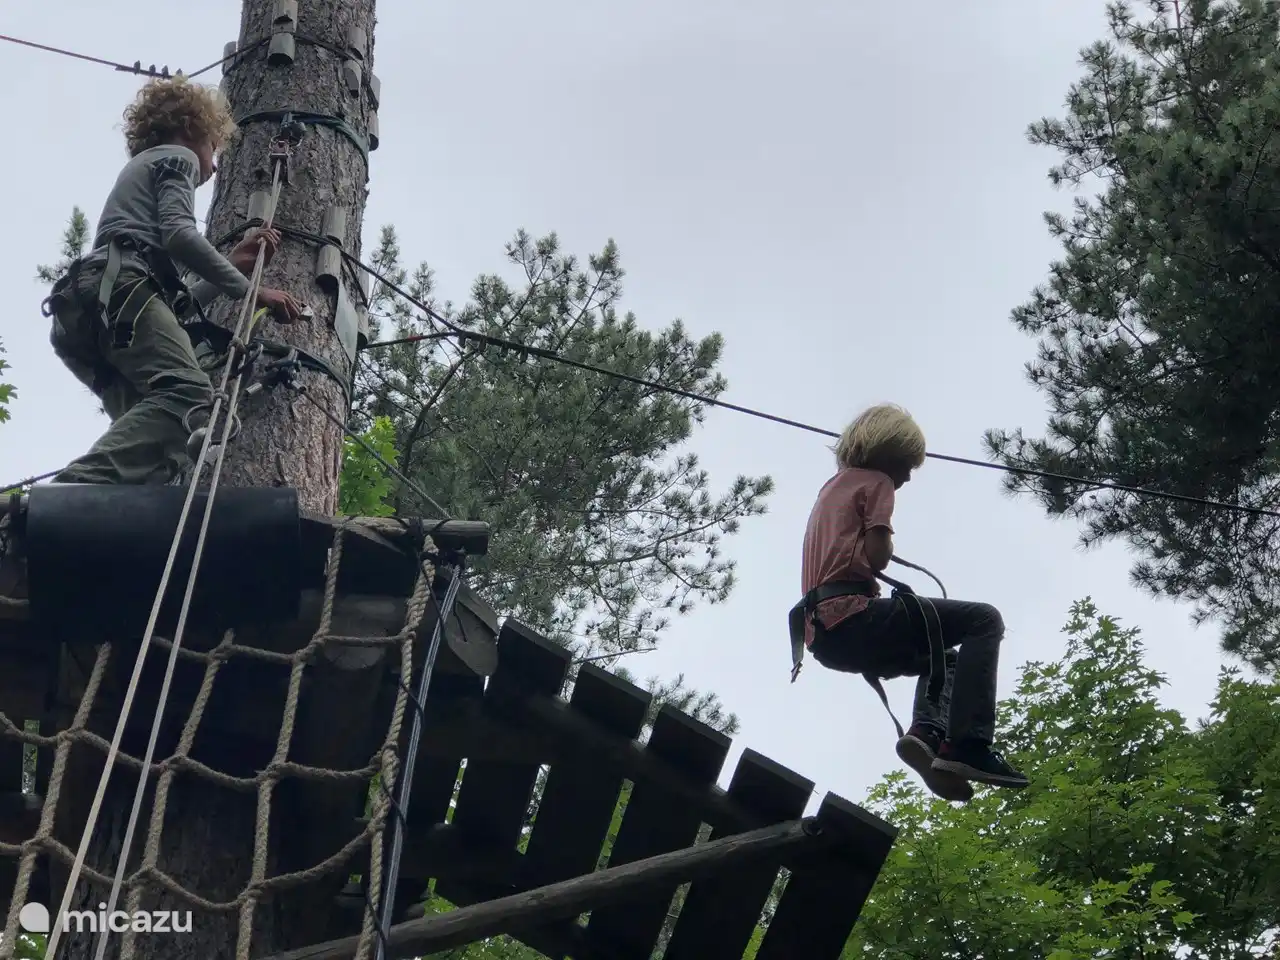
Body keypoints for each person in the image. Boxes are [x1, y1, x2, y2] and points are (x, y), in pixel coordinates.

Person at [44, 76, 305, 486]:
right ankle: (72, 492)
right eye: (213, 148)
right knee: (191, 400)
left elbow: (165, 305)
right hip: (117, 295)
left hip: (87, 314)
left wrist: (231, 266)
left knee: (162, 445)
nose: (214, 165)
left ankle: (85, 521)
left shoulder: (139, 183)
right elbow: (179, 234)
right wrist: (256, 293)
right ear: (191, 127)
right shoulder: (176, 157)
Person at [793, 403, 1029, 802]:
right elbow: (877, 554)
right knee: (984, 620)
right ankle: (969, 746)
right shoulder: (877, 481)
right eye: (906, 465)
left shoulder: (831, 489)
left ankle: (926, 736)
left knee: (945, 659)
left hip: (825, 640)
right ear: (890, 451)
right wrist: (884, 540)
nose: (905, 477)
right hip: (852, 618)